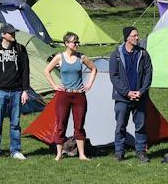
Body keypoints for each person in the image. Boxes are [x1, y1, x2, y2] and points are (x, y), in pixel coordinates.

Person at [44, 33, 96, 162]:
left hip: (79, 96)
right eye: (74, 42)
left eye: (77, 42)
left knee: (79, 125)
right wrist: (55, 85)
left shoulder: (82, 57)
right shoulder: (59, 57)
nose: (76, 44)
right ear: (66, 43)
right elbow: (46, 71)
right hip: (63, 95)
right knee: (61, 124)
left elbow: (94, 69)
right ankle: (59, 154)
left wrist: (88, 85)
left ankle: (82, 155)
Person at [106, 26, 154, 162]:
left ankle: (141, 152)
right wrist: (126, 93)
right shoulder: (116, 54)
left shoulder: (143, 54)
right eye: (134, 35)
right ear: (127, 37)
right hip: (122, 97)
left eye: (137, 35)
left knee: (141, 126)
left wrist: (141, 91)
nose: (137, 38)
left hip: (140, 97)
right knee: (120, 125)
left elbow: (148, 75)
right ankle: (119, 152)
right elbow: (114, 76)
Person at [0, 25, 29, 160]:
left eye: (13, 32)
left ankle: (15, 150)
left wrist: (25, 90)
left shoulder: (20, 49)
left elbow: (25, 71)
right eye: (10, 33)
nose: (13, 35)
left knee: (15, 123)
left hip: (17, 91)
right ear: (3, 34)